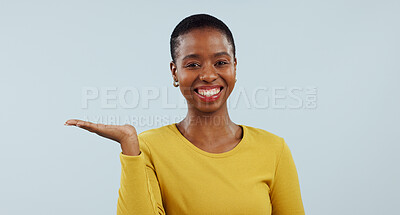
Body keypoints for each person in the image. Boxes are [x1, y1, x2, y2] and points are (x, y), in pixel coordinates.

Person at [65, 14, 305, 215]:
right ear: (174, 72)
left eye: (221, 62)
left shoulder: (274, 150)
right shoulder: (148, 148)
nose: (209, 75)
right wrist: (129, 146)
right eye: (192, 65)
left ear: (234, 66)